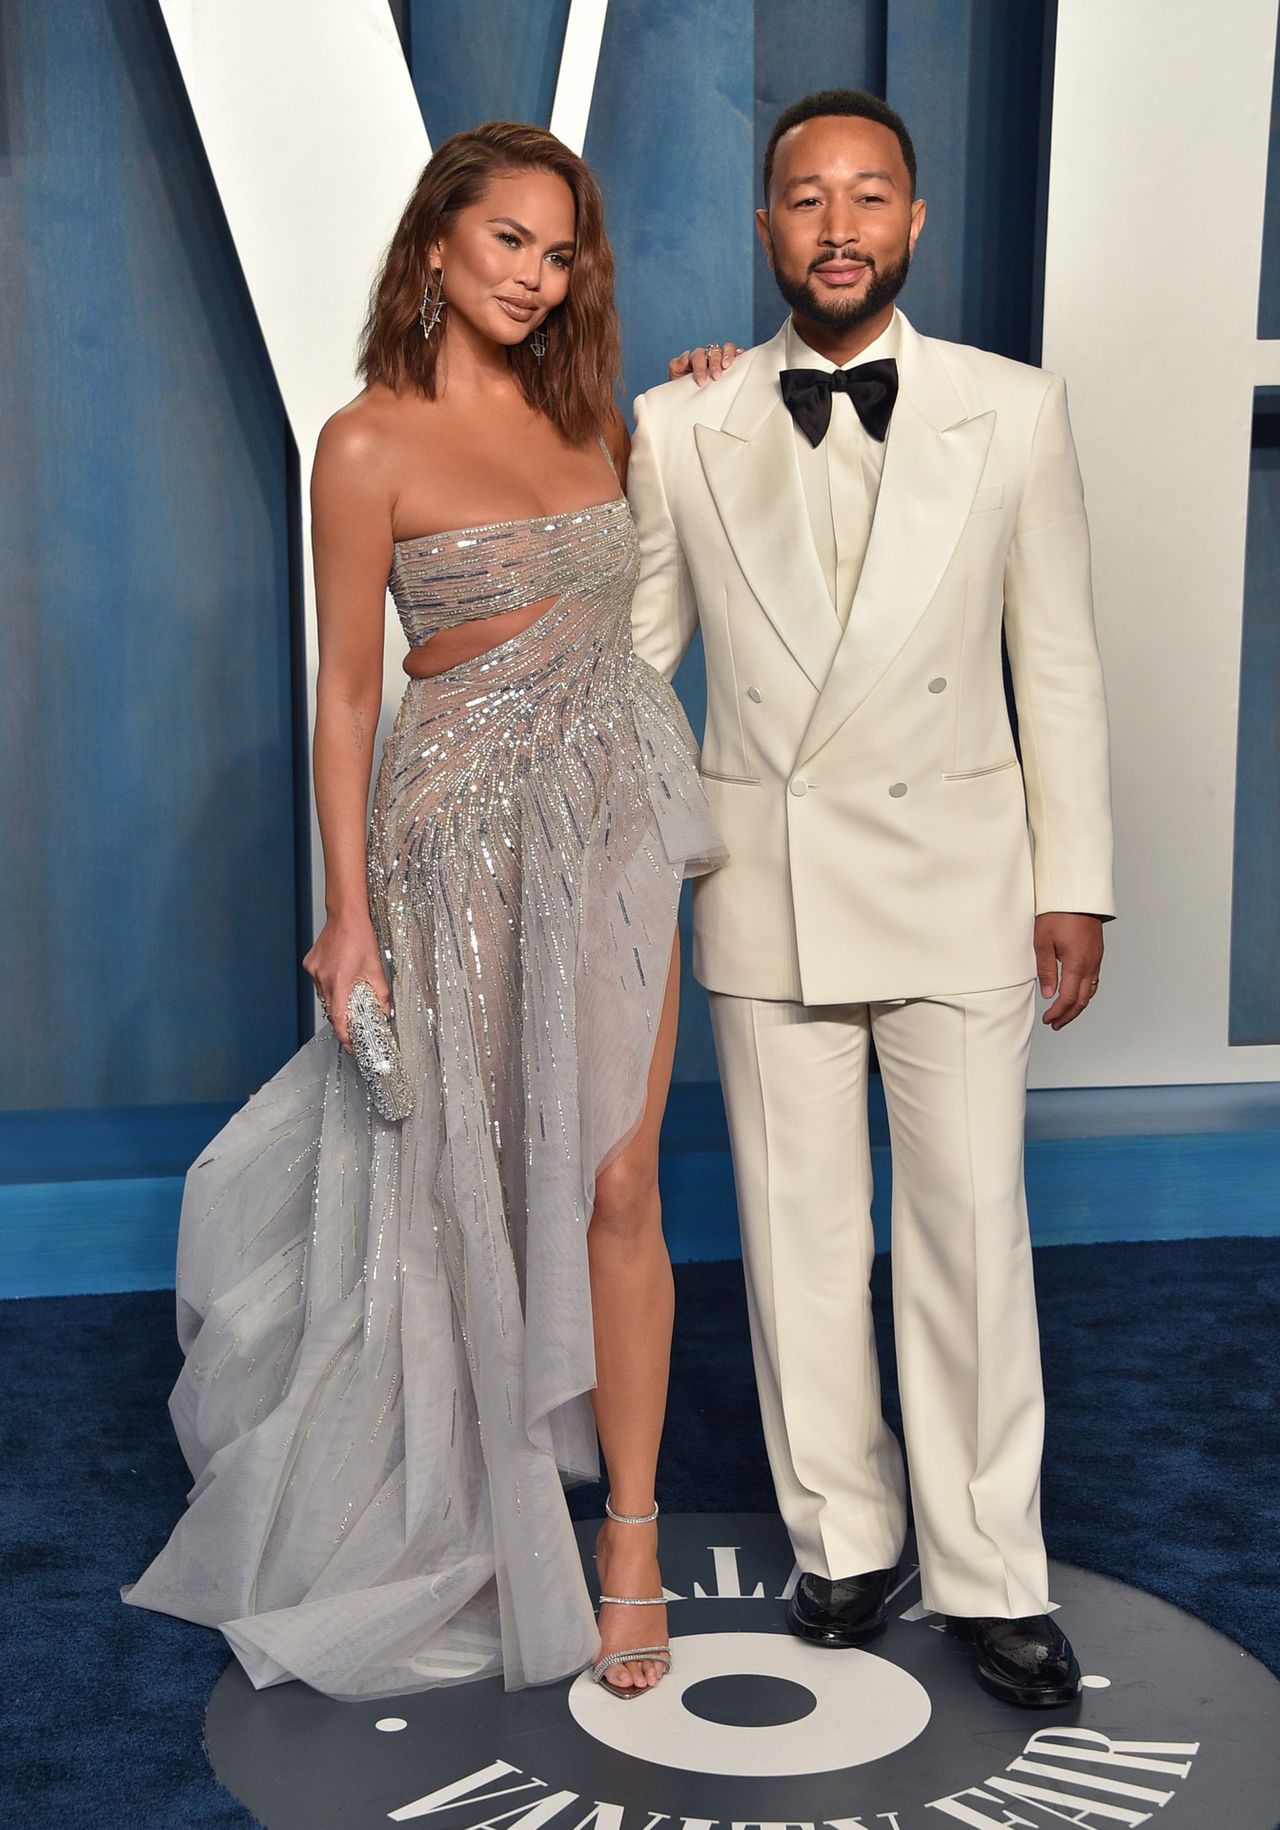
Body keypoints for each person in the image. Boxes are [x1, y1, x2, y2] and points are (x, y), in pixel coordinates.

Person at [122, 121, 724, 1702]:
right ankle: (473, 1487)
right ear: (438, 244)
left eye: (560, 245)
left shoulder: (605, 415)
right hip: (451, 844)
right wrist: (349, 913)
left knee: (616, 1173)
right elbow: (342, 694)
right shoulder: (364, 443)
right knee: (471, 1173)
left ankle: (633, 1539)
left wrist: (721, 383)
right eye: (509, 239)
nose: (537, 272)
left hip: (618, 818)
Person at [628, 89, 1114, 1708]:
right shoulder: (678, 423)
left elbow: (1056, 662)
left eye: (869, 197)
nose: (836, 225)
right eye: (804, 198)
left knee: (972, 1231)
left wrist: (1079, 880)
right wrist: (624, 875)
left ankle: (992, 1566)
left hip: (969, 881)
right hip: (764, 887)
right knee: (799, 1235)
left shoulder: (1015, 410)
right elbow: (638, 676)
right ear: (765, 229)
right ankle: (842, 1532)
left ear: (914, 224)